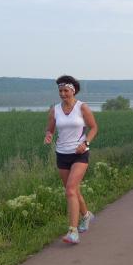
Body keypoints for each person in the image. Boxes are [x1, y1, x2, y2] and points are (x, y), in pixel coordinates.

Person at [44, 75, 98, 245]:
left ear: (73, 91)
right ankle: (86, 215)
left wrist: (86, 143)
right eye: (60, 91)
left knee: (70, 190)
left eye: (65, 90)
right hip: (62, 154)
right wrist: (48, 135)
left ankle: (72, 232)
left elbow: (94, 128)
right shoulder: (55, 110)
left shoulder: (82, 107)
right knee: (73, 190)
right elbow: (50, 129)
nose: (62, 94)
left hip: (79, 154)